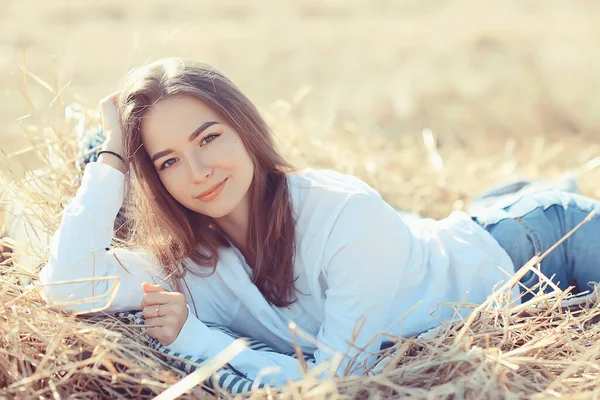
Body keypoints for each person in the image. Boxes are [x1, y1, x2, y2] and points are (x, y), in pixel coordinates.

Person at [38, 57, 600, 386]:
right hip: (421, 254)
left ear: (245, 131)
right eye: (168, 161)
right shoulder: (184, 260)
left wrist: (196, 339)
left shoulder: (345, 212)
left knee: (489, 222)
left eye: (208, 138)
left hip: (537, 251)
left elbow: (333, 382)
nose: (200, 171)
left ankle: (535, 196)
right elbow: (67, 284)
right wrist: (112, 156)